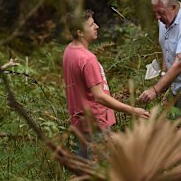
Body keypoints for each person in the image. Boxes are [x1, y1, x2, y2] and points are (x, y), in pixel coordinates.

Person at [63, 9, 149, 159]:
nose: (97, 26)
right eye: (91, 25)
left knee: (86, 172)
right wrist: (132, 110)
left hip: (80, 124)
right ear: (80, 32)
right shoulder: (87, 59)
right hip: (96, 125)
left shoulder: (69, 51)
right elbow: (99, 96)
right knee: (101, 173)